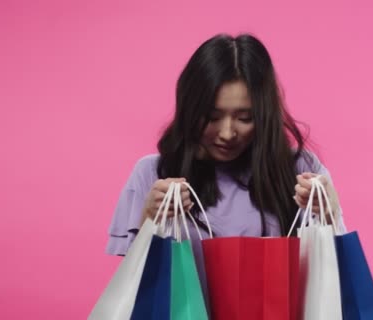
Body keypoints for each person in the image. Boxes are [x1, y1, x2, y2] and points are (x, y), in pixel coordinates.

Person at [105, 33, 346, 303]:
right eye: (212, 117)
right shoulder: (153, 174)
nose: (227, 133)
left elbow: (330, 280)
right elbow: (134, 289)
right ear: (189, 109)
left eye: (245, 118)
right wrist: (150, 219)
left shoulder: (301, 169)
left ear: (264, 115)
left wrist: (330, 215)